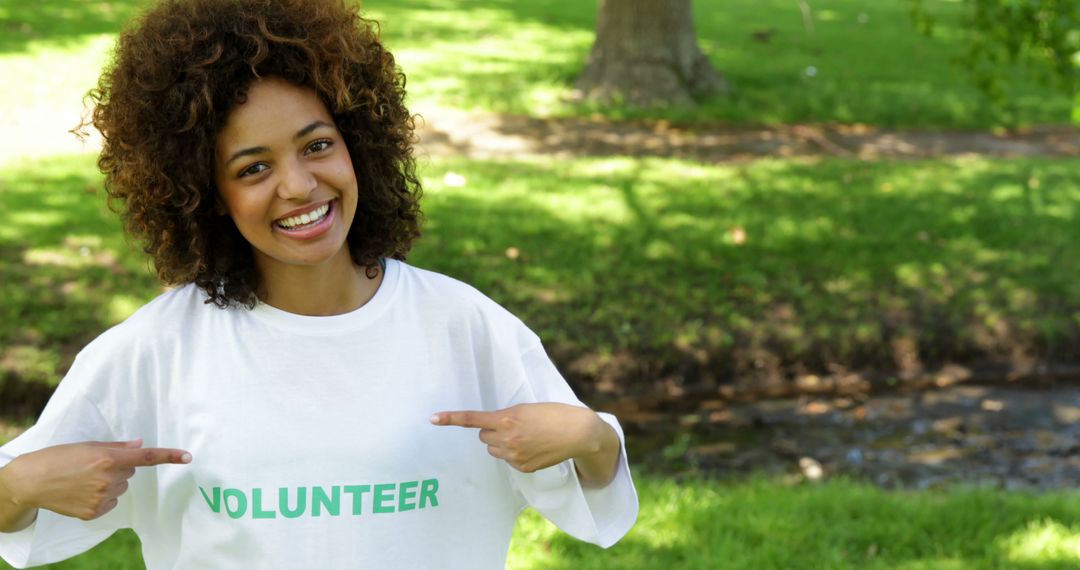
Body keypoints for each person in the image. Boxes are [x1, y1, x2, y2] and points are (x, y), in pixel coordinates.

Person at [0, 0, 638, 567]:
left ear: (357, 143)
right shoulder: (157, 348)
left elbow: (596, 481)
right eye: (253, 168)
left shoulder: (461, 323)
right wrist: (20, 487)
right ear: (206, 193)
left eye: (317, 145)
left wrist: (592, 436)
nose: (299, 186)